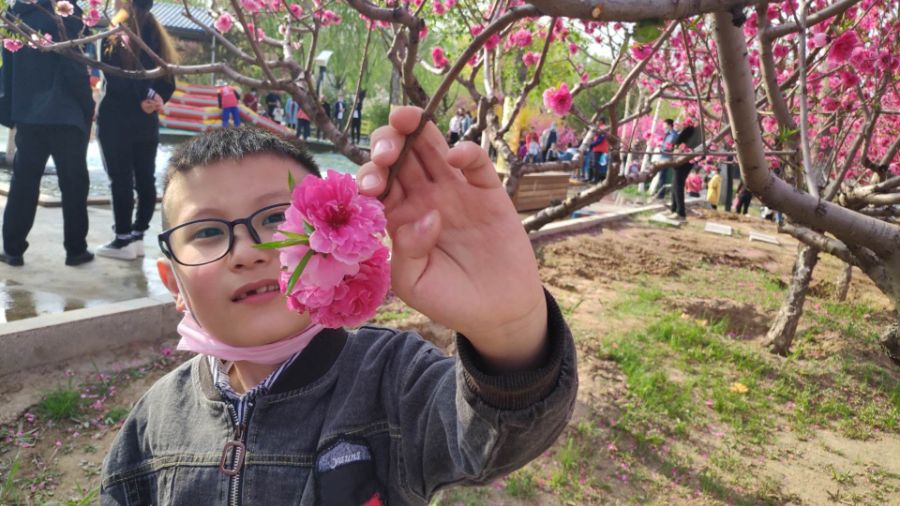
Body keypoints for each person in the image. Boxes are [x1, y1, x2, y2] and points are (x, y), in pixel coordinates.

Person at [99, 109, 577, 503]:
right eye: (206, 231)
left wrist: (510, 330)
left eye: (276, 218)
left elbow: (488, 437)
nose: (248, 250)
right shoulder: (152, 422)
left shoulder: (391, 381)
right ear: (173, 283)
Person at [0, 0, 95, 267]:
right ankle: (75, 250)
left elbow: (8, 68)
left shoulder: (15, 15)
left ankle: (12, 249)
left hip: (29, 113)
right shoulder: (66, 11)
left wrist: (11, 110)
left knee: (24, 183)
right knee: (74, 184)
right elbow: (75, 67)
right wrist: (87, 106)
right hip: (66, 114)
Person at [95, 0, 178, 260]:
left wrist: (143, 98)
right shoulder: (159, 36)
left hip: (116, 119)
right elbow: (169, 79)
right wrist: (155, 99)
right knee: (145, 179)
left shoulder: (114, 32)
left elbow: (115, 78)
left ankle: (122, 239)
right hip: (146, 121)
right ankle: (138, 236)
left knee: (120, 179)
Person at [666, 120, 698, 221]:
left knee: (678, 185)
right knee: (675, 184)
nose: (677, 124)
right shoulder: (690, 130)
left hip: (683, 160)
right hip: (683, 160)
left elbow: (678, 141)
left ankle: (680, 212)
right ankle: (674, 209)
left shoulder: (690, 130)